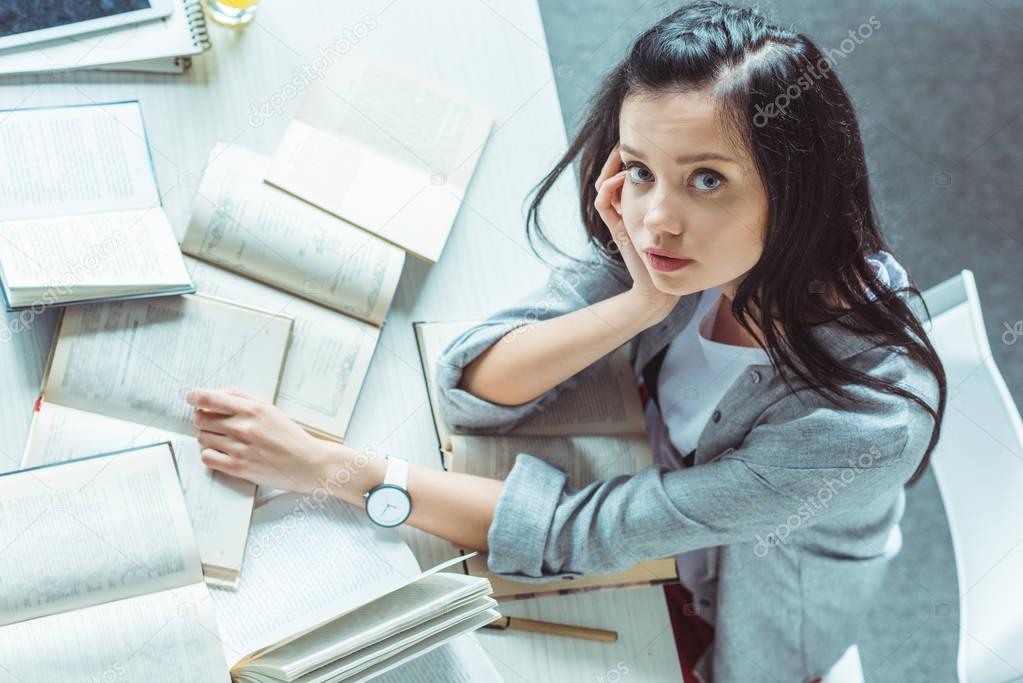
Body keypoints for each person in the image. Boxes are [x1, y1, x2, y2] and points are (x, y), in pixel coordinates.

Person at [186, 2, 947, 680]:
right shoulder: (682, 251)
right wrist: (637, 307)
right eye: (640, 170)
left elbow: (576, 531)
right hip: (635, 484)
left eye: (707, 179)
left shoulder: (864, 424)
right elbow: (473, 383)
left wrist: (331, 467)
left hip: (726, 616)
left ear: (799, 189)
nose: (655, 219)